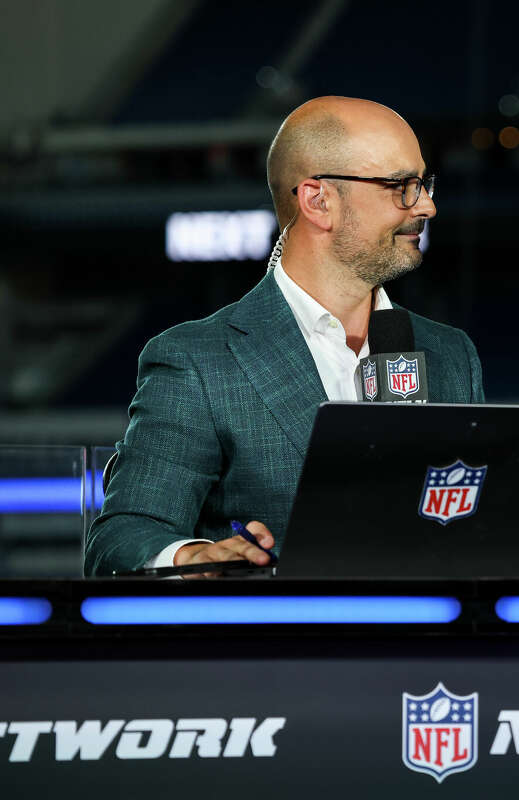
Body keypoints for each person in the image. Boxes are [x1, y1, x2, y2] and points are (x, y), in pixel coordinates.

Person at [86, 96, 484, 577]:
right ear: (318, 201)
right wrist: (189, 558)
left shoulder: (451, 353)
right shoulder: (198, 360)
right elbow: (121, 539)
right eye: (401, 186)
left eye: (424, 183)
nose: (427, 205)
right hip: (283, 648)